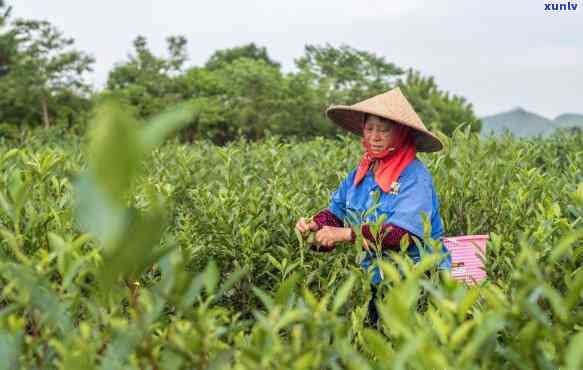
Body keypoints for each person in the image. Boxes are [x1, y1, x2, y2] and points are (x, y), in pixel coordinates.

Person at [295, 87, 452, 326]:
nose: (375, 137)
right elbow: (335, 214)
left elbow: (404, 234)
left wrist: (348, 234)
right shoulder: (362, 172)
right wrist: (315, 225)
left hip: (418, 278)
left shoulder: (414, 176)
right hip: (377, 278)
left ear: (400, 134)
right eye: (370, 129)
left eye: (384, 130)